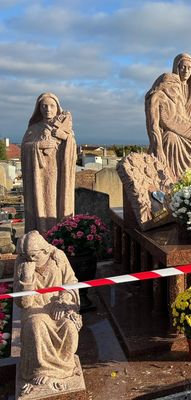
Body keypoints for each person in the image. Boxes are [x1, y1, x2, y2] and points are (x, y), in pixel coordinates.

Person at [14, 231, 82, 395]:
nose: (29, 259)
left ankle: (63, 368)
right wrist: (27, 279)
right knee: (36, 325)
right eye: (25, 255)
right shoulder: (22, 264)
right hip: (34, 308)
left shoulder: (57, 257)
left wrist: (63, 300)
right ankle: (42, 370)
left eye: (33, 255)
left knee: (69, 327)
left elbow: (71, 282)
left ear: (43, 249)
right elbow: (23, 303)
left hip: (57, 305)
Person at [21, 93, 77, 234]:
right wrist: (39, 145)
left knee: (57, 202)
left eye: (52, 106)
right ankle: (41, 232)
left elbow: (72, 148)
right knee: (41, 200)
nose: (48, 109)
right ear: (39, 108)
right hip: (39, 175)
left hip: (58, 173)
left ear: (57, 107)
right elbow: (25, 148)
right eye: (44, 106)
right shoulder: (33, 129)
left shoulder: (63, 127)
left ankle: (60, 235)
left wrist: (64, 137)